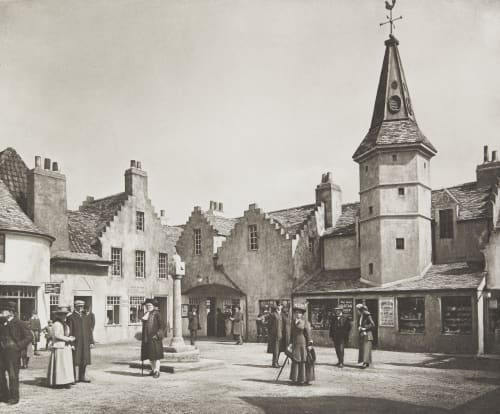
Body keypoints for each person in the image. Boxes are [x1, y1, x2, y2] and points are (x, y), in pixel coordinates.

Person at [0, 301, 33, 405]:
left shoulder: (19, 323)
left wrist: (18, 347)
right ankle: (4, 395)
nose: (1, 312)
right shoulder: (2, 322)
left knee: (13, 375)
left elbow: (29, 337)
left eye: (3, 311)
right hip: (2, 353)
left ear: (11, 312)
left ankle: (14, 397)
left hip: (13, 353)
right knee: (0, 375)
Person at [47, 306, 75, 388]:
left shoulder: (65, 324)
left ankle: (66, 381)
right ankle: (59, 381)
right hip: (59, 346)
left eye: (65, 314)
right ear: (58, 315)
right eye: (62, 315)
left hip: (66, 346)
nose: (64, 316)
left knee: (66, 364)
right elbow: (56, 335)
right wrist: (68, 339)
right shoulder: (56, 324)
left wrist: (71, 338)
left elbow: (67, 333)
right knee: (60, 365)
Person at [67, 300, 94, 383]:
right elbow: (69, 331)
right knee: (75, 360)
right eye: (79, 306)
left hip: (85, 341)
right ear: (75, 306)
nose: (80, 308)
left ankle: (82, 377)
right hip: (76, 341)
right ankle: (73, 378)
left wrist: (91, 341)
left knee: (84, 359)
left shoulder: (85, 316)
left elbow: (89, 330)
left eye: (82, 306)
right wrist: (71, 343)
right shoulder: (71, 317)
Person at [289, 303, 315, 386]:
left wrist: (310, 344)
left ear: (302, 314)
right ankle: (295, 379)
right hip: (295, 343)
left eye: (299, 313)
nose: (297, 314)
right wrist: (290, 343)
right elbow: (291, 334)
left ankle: (302, 380)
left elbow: (308, 334)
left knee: (303, 361)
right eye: (296, 312)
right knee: (295, 360)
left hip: (303, 344)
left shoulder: (305, 323)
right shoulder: (293, 322)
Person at [141, 298, 165, 378]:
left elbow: (162, 326)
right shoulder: (145, 314)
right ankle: (153, 370)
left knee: (156, 356)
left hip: (155, 338)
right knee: (150, 355)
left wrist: (158, 335)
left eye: (150, 305)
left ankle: (157, 371)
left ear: (153, 306)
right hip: (147, 338)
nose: (148, 307)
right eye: (147, 305)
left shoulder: (157, 313)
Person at [267, 302, 289, 367]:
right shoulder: (273, 314)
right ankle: (274, 363)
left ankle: (276, 362)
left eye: (280, 305)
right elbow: (269, 325)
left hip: (282, 334)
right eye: (278, 305)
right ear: (276, 306)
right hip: (275, 334)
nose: (279, 307)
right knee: (275, 349)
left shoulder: (282, 314)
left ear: (282, 307)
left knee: (279, 349)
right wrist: (272, 332)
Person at [356, 303, 375, 369]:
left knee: (366, 349)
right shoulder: (361, 316)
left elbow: (373, 324)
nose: (357, 311)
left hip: (368, 334)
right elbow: (360, 324)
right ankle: (366, 362)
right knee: (363, 349)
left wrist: (365, 328)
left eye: (358, 310)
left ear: (361, 310)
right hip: (362, 334)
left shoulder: (367, 316)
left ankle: (365, 362)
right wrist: (359, 327)